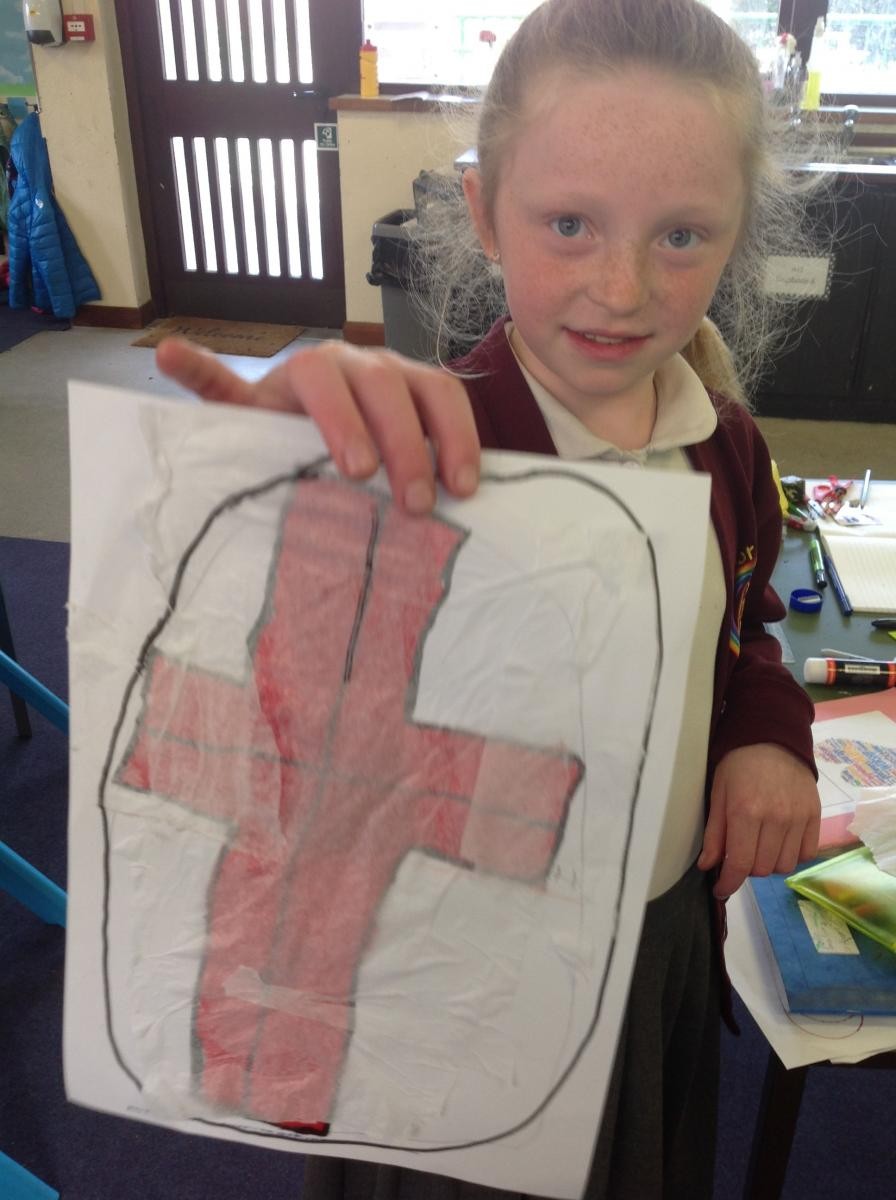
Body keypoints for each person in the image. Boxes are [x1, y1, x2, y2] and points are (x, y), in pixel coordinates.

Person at [156, 1, 823, 1195]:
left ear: (733, 238)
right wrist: (284, 472)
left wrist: (762, 739)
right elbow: (281, 701)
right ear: (481, 212)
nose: (620, 286)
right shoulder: (430, 452)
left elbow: (742, 634)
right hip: (450, 974)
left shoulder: (723, 446)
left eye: (680, 235)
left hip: (648, 944)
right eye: (568, 223)